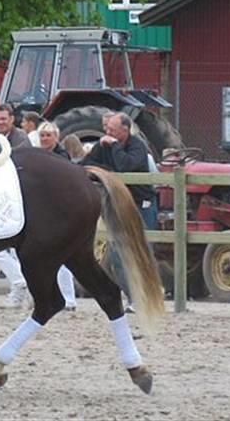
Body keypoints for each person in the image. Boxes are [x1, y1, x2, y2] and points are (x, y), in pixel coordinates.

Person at [82, 112, 157, 311]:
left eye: (113, 130)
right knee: (117, 255)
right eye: (106, 129)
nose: (107, 133)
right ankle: (135, 298)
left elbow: (127, 166)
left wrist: (114, 147)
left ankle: (150, 297)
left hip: (141, 205)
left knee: (143, 251)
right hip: (117, 205)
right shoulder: (103, 144)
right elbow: (86, 164)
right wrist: (105, 168)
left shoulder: (137, 146)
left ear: (125, 130)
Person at [36, 121, 77, 311]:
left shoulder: (61, 157)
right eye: (42, 135)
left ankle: (69, 298)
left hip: (59, 212)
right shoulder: (37, 155)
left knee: (62, 258)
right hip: (42, 211)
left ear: (56, 137)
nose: (45, 139)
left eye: (48, 135)